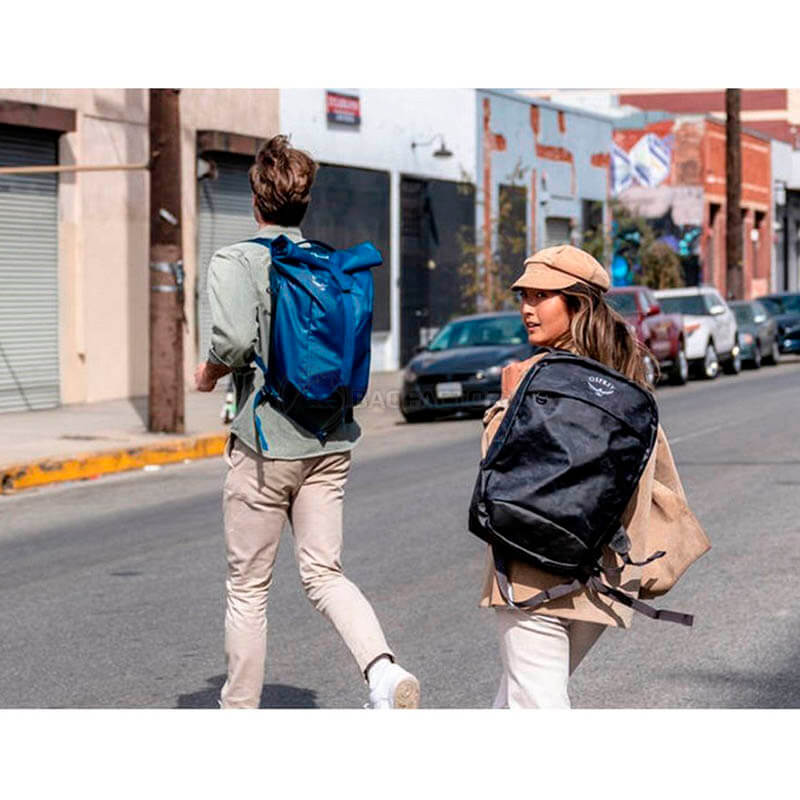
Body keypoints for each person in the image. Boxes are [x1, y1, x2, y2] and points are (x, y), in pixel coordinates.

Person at [194, 135, 420, 709]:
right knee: (324, 574)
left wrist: (208, 372)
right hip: (331, 441)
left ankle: (239, 713)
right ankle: (383, 673)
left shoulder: (236, 261)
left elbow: (233, 342)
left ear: (255, 200)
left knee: (248, 589)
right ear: (305, 201)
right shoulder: (329, 265)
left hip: (265, 446)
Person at [479, 244, 709, 709]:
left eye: (541, 296)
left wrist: (504, 406)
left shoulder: (536, 377)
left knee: (536, 707)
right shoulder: (624, 377)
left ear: (577, 304)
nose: (527, 309)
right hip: (601, 579)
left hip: (534, 573)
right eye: (524, 296)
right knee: (518, 701)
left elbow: (499, 470)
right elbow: (655, 475)